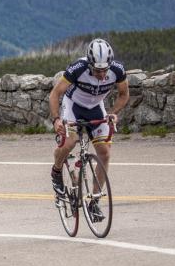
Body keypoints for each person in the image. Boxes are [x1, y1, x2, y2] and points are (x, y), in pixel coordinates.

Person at [48, 38, 129, 209]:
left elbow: (124, 95)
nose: (101, 75)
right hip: (73, 105)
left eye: (104, 70)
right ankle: (56, 171)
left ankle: (94, 201)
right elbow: (55, 94)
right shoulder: (77, 68)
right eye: (97, 70)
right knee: (70, 142)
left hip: (95, 107)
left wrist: (113, 113)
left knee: (104, 153)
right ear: (90, 64)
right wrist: (56, 120)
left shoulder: (117, 70)